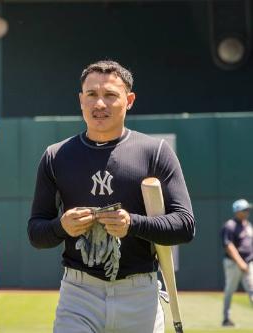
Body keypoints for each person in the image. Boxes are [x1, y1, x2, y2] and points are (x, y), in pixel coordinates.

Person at [28, 60, 195, 333]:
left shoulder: (155, 152)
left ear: (129, 100)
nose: (100, 104)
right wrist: (62, 227)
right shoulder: (56, 156)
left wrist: (133, 224)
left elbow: (185, 226)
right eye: (91, 95)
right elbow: (36, 232)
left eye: (110, 95)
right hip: (79, 293)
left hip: (139, 293)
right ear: (81, 100)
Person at [221, 199, 253, 327]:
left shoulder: (248, 225)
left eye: (248, 209)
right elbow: (228, 245)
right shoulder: (230, 225)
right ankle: (226, 319)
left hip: (248, 263)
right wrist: (240, 262)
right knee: (230, 290)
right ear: (237, 211)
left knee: (252, 290)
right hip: (233, 264)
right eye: (245, 209)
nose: (247, 211)